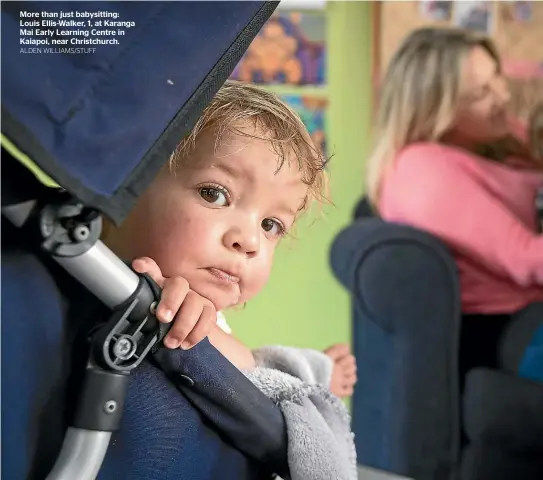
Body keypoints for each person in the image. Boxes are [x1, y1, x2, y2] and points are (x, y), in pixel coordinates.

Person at [103, 80, 357, 398]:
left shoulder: (201, 310)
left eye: (271, 225)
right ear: (126, 182)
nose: (250, 240)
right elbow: (243, 369)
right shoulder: (92, 279)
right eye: (215, 194)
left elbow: (246, 374)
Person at [366, 27, 543, 377]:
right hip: (510, 327)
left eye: (498, 77)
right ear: (436, 109)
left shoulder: (491, 136)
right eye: (481, 93)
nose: (503, 96)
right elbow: (526, 259)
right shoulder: (423, 169)